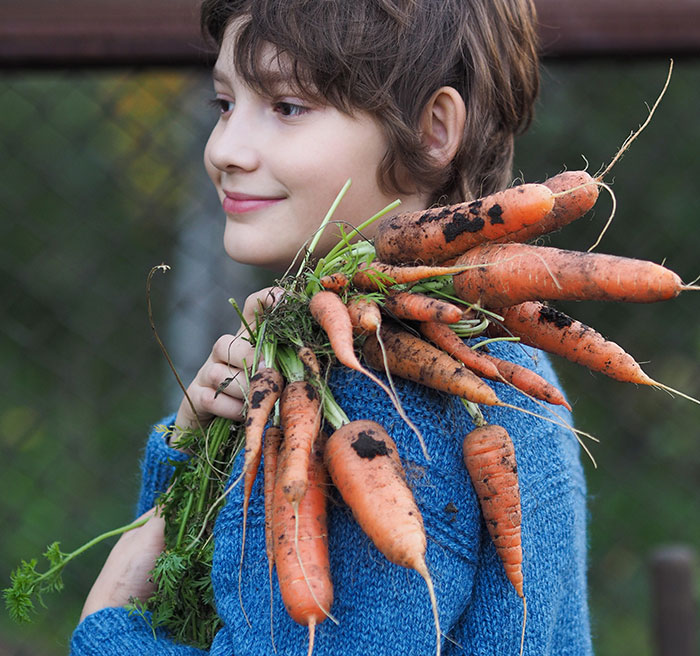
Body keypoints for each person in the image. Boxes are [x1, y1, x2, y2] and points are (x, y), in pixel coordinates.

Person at [70, 0, 592, 654]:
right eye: (225, 104)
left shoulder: (377, 407)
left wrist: (110, 628)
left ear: (433, 131)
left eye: (287, 107)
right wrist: (186, 452)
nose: (224, 149)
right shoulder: (506, 361)